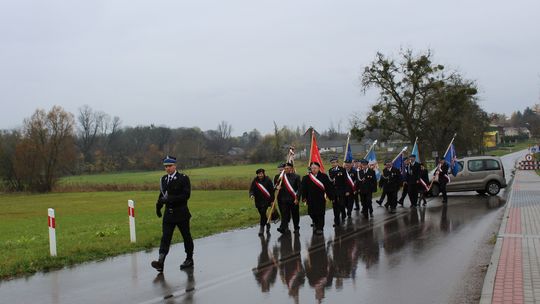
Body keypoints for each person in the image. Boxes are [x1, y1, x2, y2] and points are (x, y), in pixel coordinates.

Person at [151, 155, 194, 272]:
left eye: (170, 166)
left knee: (186, 236)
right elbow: (162, 195)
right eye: (166, 166)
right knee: (165, 237)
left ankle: (189, 258)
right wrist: (158, 207)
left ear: (175, 166)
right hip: (168, 215)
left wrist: (170, 199)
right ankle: (160, 262)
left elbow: (186, 196)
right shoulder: (164, 179)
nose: (168, 168)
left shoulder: (183, 178)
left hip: (181, 213)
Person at [301, 162, 334, 235]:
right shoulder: (306, 178)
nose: (313, 169)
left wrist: (331, 196)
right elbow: (304, 189)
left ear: (319, 168)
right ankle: (316, 223)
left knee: (320, 214)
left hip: (320, 199)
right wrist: (304, 197)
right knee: (312, 214)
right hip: (310, 199)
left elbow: (328, 188)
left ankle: (320, 228)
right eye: (312, 168)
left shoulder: (324, 176)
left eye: (315, 168)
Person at [276, 162, 301, 234]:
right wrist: (277, 187)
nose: (286, 169)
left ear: (291, 169)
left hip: (293, 199)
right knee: (284, 214)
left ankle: (296, 227)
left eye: (287, 168)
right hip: (284, 200)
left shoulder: (297, 177)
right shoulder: (281, 177)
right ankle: (284, 227)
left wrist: (297, 198)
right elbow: (275, 186)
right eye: (285, 168)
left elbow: (299, 189)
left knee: (295, 214)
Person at [249, 168, 275, 236]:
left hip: (266, 200)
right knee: (262, 214)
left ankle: (261, 228)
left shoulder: (268, 180)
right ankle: (267, 223)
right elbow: (251, 189)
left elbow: (272, 191)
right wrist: (251, 195)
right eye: (259, 174)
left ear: (263, 173)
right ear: (257, 174)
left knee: (263, 211)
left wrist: (272, 200)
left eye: (261, 174)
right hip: (258, 200)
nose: (260, 175)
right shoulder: (255, 181)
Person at [328, 156, 347, 226]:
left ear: (337, 163)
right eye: (332, 163)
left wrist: (346, 190)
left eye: (334, 162)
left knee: (341, 204)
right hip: (333, 192)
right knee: (335, 206)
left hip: (341, 191)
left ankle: (343, 212)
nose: (333, 164)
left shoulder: (342, 170)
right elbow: (329, 183)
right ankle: (337, 221)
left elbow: (345, 181)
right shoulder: (330, 171)